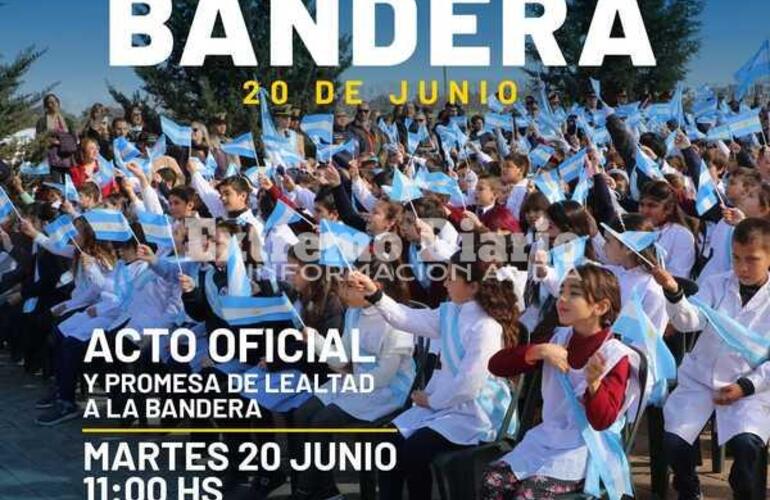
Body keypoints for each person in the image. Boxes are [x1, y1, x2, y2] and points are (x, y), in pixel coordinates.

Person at [347, 251, 519, 500]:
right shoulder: (451, 312)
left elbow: (468, 386)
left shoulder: (486, 327)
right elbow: (408, 318)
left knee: (416, 450)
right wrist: (375, 294)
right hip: (445, 403)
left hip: (476, 411)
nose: (445, 282)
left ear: (472, 286)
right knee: (388, 444)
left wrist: (432, 401)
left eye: (451, 277)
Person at [482, 264, 643, 499]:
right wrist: (538, 350)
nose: (562, 299)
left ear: (601, 306)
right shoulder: (557, 337)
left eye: (574, 293)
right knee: (492, 480)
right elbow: (495, 365)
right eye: (561, 292)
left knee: (528, 495)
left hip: (586, 448)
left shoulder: (614, 355)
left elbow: (602, 421)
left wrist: (594, 384)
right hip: (546, 438)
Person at [651, 218, 770, 500]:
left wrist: (745, 386)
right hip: (702, 378)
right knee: (674, 441)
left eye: (751, 260)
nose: (741, 267)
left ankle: (744, 491)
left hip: (752, 388)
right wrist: (673, 291)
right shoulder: (717, 284)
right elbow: (689, 320)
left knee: (746, 446)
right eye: (736, 258)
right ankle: (689, 487)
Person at [291, 261, 415, 498]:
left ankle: (307, 489)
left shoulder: (397, 321)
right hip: (358, 382)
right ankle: (324, 488)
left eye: (349, 286)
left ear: (372, 287)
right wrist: (316, 340)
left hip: (387, 391)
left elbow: (382, 376)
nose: (341, 291)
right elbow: (342, 357)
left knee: (321, 421)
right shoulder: (355, 313)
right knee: (303, 413)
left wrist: (350, 380)